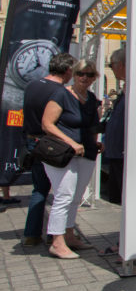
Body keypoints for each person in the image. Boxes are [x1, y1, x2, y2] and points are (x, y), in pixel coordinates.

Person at [42, 59, 102, 259]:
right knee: (63, 195)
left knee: (76, 196)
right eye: (81, 74)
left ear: (95, 78)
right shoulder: (61, 94)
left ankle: (69, 234)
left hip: (86, 153)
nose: (85, 78)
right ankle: (56, 242)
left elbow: (92, 125)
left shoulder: (91, 98)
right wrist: (71, 142)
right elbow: (47, 124)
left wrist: (95, 142)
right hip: (64, 154)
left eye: (90, 75)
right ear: (73, 74)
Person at [22, 52, 76, 247]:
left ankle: (32, 234)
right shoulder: (59, 92)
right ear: (68, 70)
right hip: (53, 145)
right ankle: (57, 235)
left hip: (33, 141)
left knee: (39, 189)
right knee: (62, 191)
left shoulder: (32, 86)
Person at [102, 48, 126, 205]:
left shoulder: (134, 88)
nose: (111, 69)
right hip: (116, 153)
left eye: (112, 65)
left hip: (123, 155)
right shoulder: (126, 88)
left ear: (122, 65)